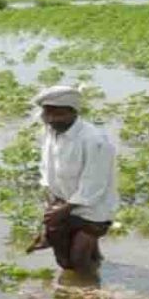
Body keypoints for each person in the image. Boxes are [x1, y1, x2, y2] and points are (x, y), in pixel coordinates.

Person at [26, 85, 119, 276]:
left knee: (79, 259)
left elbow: (95, 183)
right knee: (64, 262)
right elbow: (47, 169)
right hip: (61, 202)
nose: (51, 120)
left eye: (57, 115)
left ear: (72, 112)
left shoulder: (94, 140)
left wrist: (65, 209)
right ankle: (95, 267)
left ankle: (91, 292)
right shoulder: (50, 131)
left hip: (92, 207)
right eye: (47, 114)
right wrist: (50, 213)